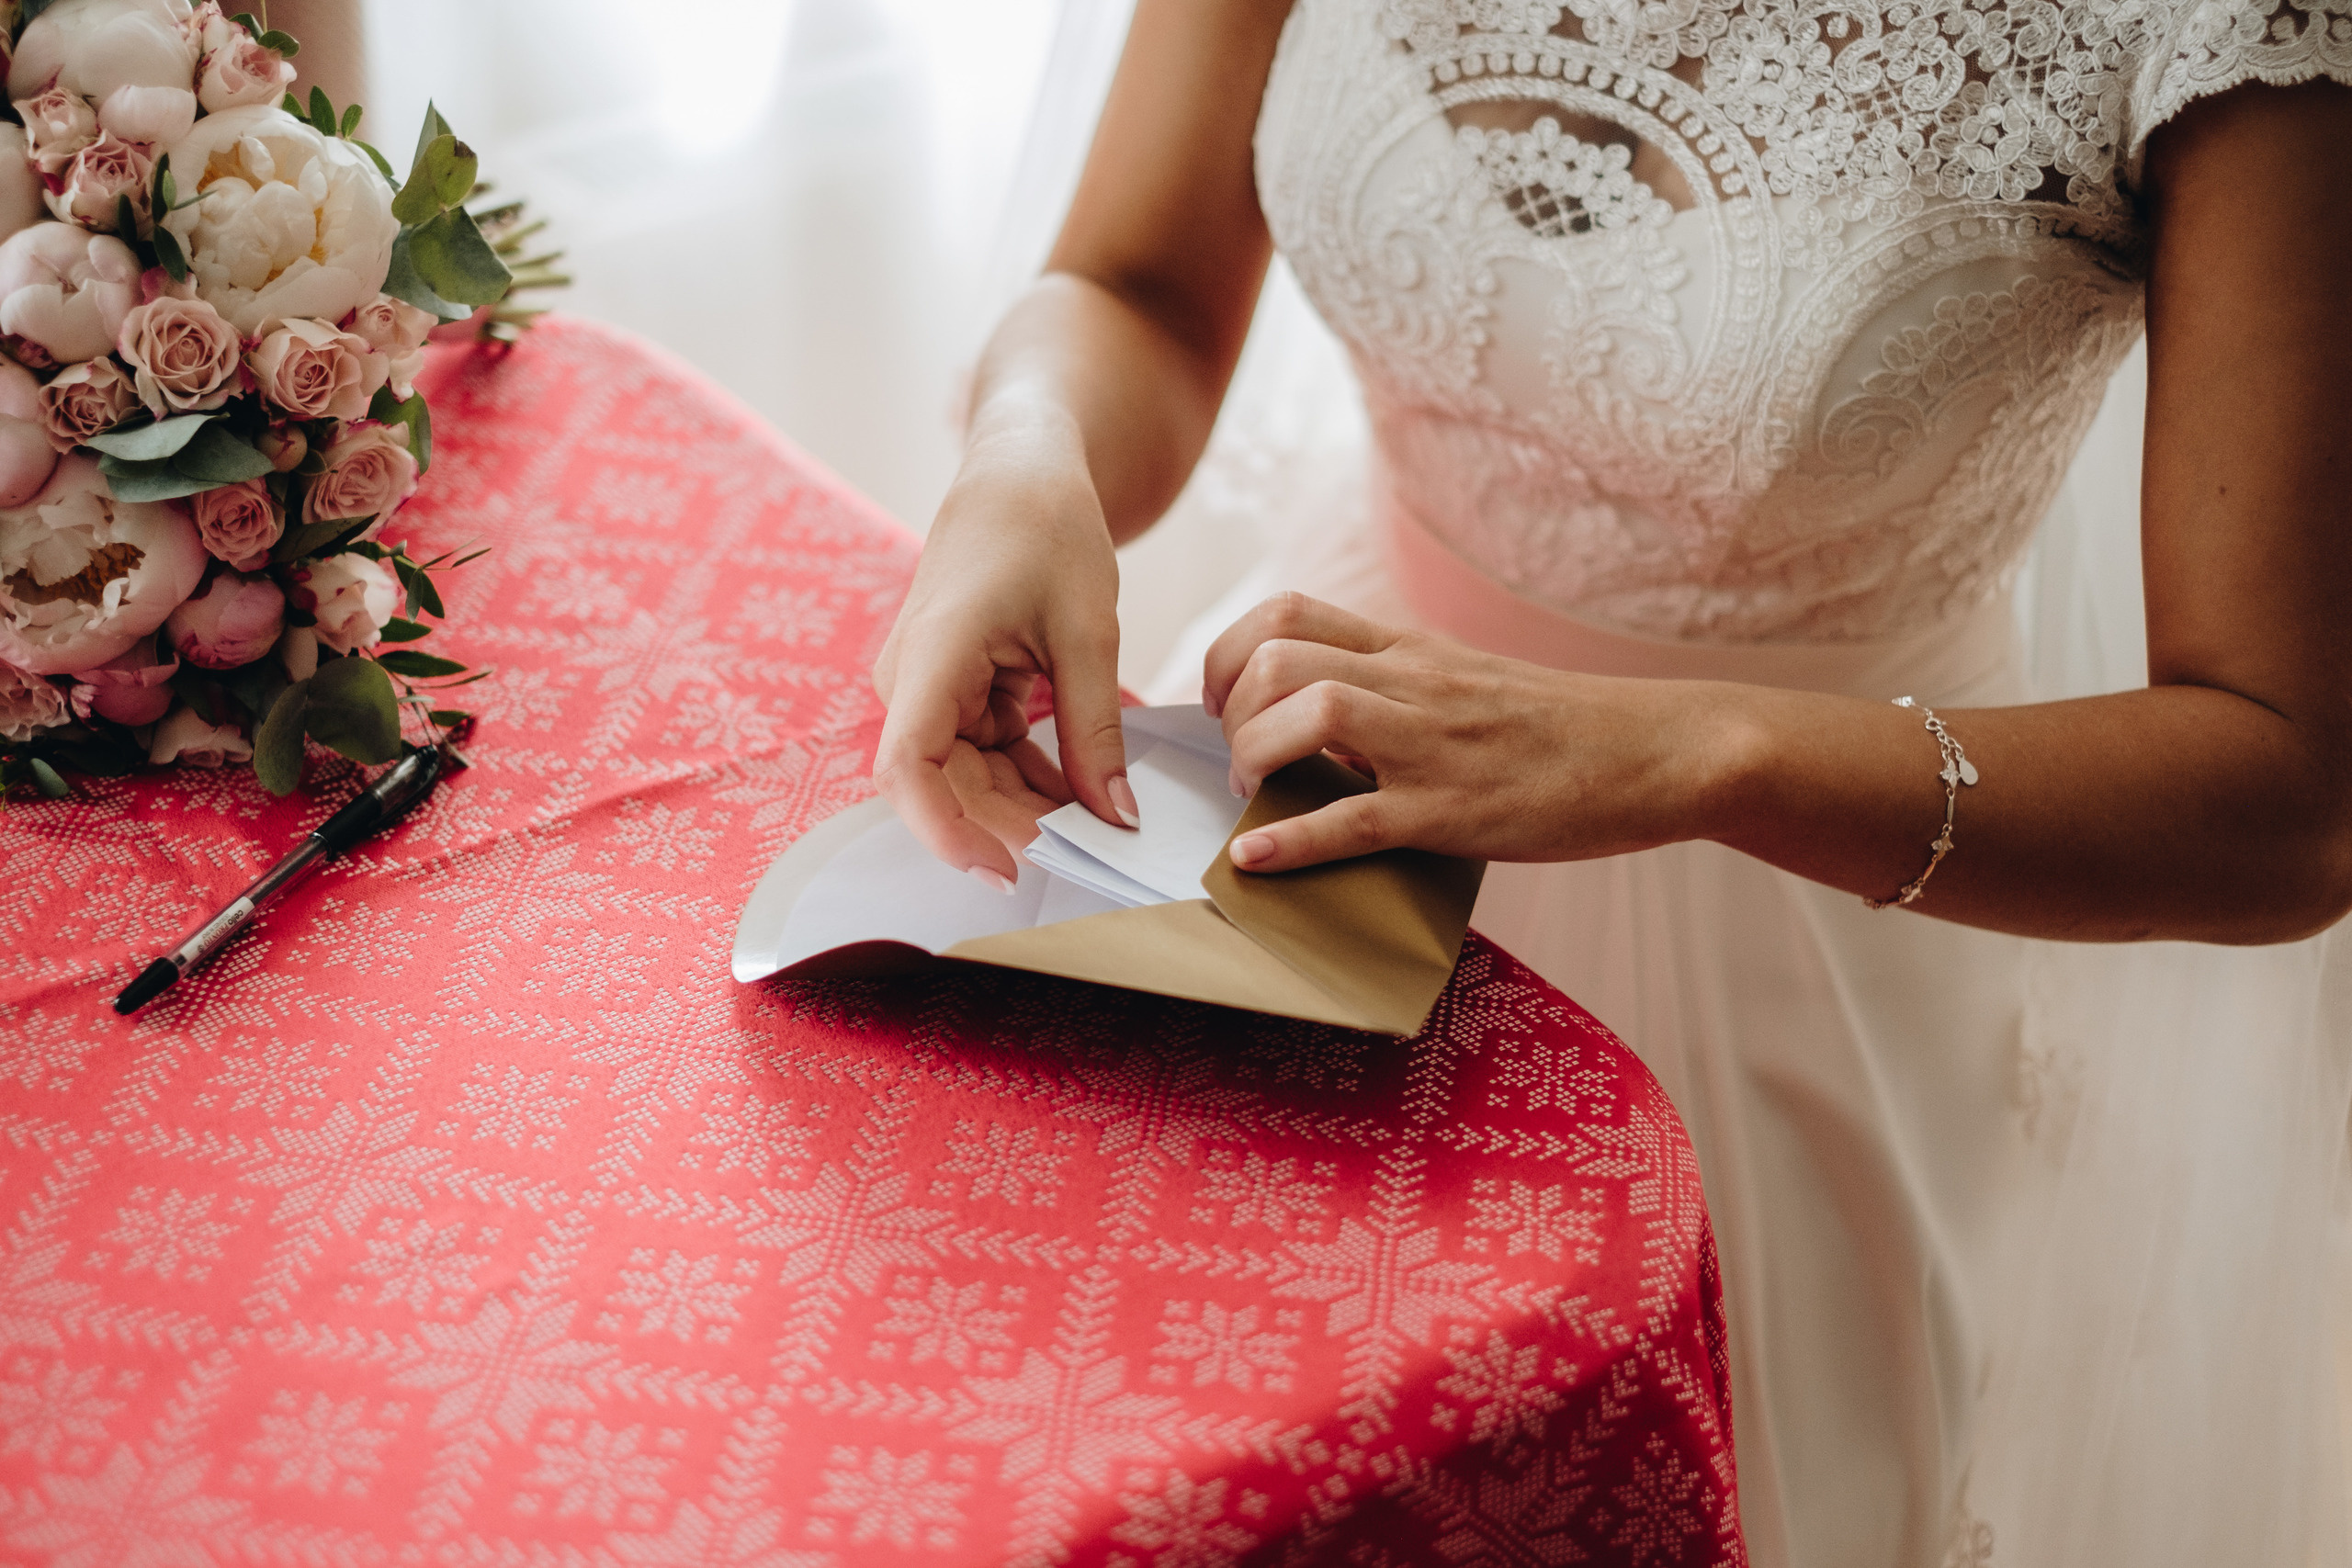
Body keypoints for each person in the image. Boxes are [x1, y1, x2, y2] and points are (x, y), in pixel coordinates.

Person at [872, 0, 2352, 1562]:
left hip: (1820, 928)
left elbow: (2287, 785)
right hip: (1303, 793)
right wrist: (1026, 456)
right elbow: (1138, 285)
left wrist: (1688, 751)